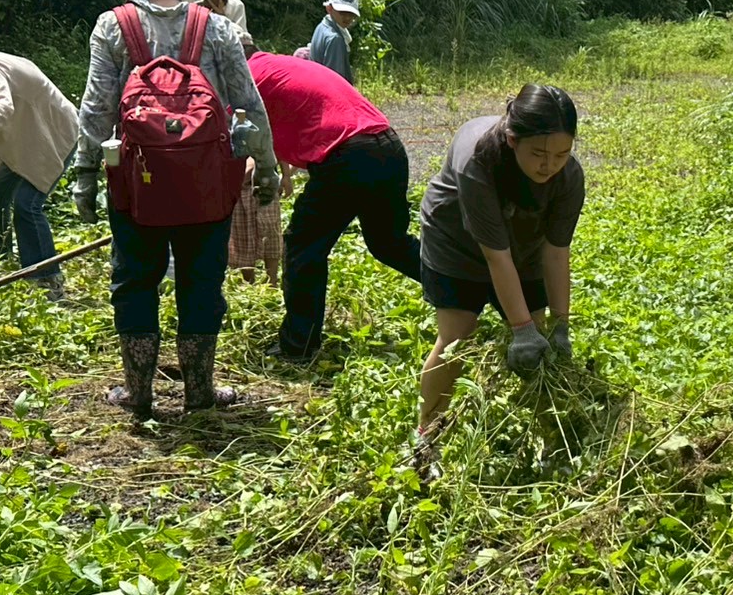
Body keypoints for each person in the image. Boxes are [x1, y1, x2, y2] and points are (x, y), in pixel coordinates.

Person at [73, 0, 280, 417]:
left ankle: (139, 393)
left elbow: (96, 108)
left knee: (135, 280)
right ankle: (199, 393)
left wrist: (86, 175)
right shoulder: (218, 27)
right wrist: (266, 167)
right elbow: (249, 101)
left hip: (135, 180)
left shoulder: (113, 26)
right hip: (208, 180)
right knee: (202, 281)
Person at [414, 85, 584, 474]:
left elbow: (556, 253)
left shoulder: (568, 176)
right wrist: (519, 328)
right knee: (457, 336)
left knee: (541, 345)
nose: (549, 165)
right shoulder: (480, 160)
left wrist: (558, 325)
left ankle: (550, 441)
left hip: (522, 244)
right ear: (512, 139)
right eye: (538, 154)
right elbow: (494, 254)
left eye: (561, 153)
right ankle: (427, 436)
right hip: (456, 242)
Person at [247, 50, 419, 360]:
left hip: (348, 155)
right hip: (387, 146)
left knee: (303, 246)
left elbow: (236, 140)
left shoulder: (246, 78)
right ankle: (464, 289)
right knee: (390, 244)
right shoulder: (276, 66)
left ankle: (298, 345)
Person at [182, 0, 283, 285]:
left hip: (229, 84)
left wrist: (219, 16)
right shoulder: (184, 3)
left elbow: (242, 44)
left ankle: (254, 264)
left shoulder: (235, 6)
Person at [0, 52, 79, 295]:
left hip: (54, 135)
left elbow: (2, 106)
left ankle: (47, 280)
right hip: (23, 141)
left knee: (27, 204)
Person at [309, 0, 359, 84]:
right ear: (329, 8)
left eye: (351, 14)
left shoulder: (322, 26)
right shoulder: (335, 39)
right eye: (342, 13)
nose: (347, 18)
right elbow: (336, 81)